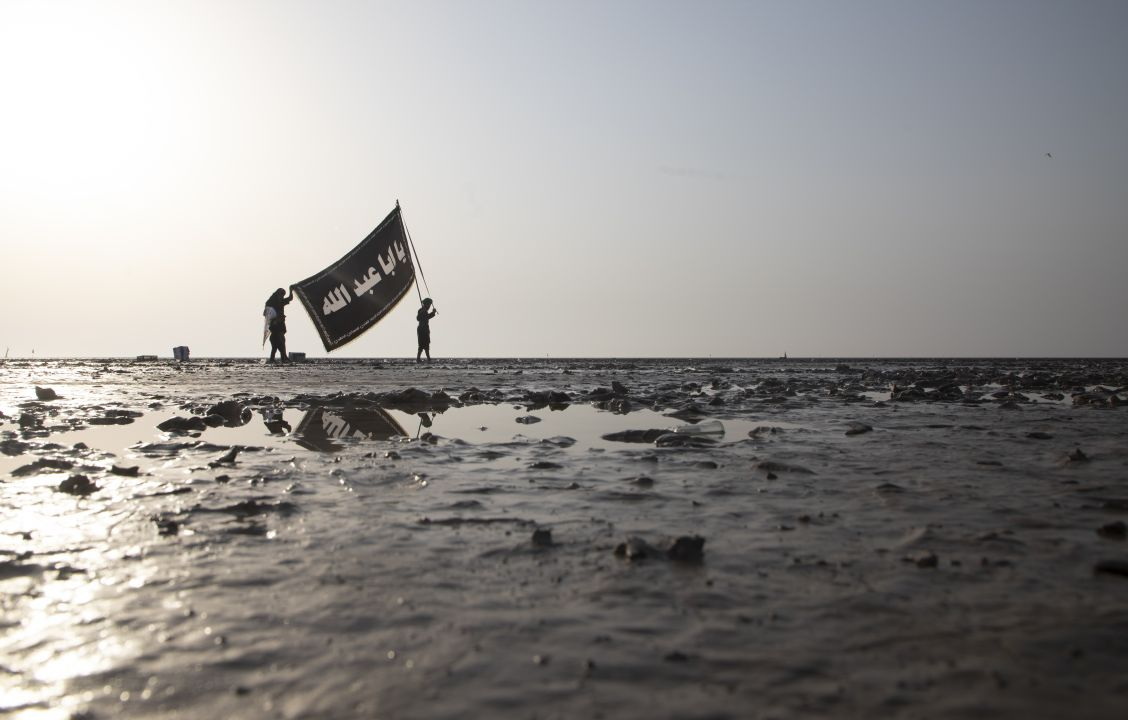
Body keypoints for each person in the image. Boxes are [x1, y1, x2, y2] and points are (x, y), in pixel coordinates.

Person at [264, 287, 293, 363]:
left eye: (283, 295)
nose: (282, 297)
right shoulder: (271, 302)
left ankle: (279, 358)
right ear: (277, 294)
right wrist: (275, 319)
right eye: (281, 295)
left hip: (280, 324)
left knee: (279, 342)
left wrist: (291, 290)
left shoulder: (281, 302)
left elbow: (290, 298)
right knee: (278, 342)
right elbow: (266, 313)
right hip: (275, 325)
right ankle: (282, 357)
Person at [416, 297, 437, 363]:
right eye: (429, 305)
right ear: (426, 304)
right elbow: (418, 318)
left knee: (426, 343)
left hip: (425, 328)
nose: (430, 306)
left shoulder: (424, 310)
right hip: (422, 329)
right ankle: (420, 359)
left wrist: (433, 313)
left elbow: (427, 317)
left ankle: (427, 358)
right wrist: (431, 313)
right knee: (422, 344)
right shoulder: (421, 310)